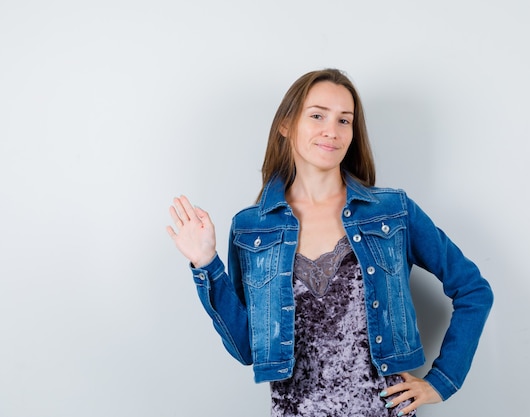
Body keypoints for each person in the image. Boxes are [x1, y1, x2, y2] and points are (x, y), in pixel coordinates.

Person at [166, 68, 494, 417]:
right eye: (318, 115)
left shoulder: (392, 212)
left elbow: (473, 289)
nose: (331, 131)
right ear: (286, 125)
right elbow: (248, 348)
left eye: (344, 120)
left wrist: (442, 381)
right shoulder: (251, 230)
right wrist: (206, 264)